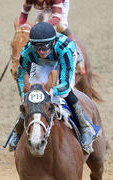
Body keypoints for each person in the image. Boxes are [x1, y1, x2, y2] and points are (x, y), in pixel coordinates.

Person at [8, 22, 99, 154]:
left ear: (52, 43)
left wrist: (53, 91)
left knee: (65, 94)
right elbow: (21, 77)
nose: (41, 51)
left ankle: (85, 128)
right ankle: (18, 131)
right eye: (37, 48)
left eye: (44, 47)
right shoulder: (28, 52)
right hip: (41, 63)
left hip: (63, 58)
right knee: (33, 98)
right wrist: (24, 95)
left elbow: (66, 85)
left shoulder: (65, 49)